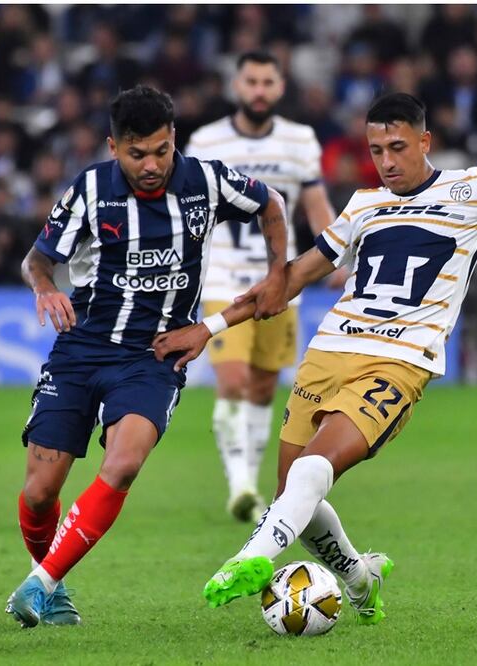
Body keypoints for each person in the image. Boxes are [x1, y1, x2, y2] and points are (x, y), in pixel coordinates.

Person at [153, 93, 477, 625]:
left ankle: (250, 559)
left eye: (398, 147)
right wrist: (207, 328)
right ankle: (359, 577)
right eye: (376, 150)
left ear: (425, 142)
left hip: (398, 361)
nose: (387, 161)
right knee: (293, 499)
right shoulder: (363, 205)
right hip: (327, 354)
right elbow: (293, 277)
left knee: (311, 471)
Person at [5, 85, 291, 628]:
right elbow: (38, 260)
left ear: (173, 140)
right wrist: (45, 289)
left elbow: (270, 203)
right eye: (138, 154)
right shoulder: (90, 190)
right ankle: (52, 580)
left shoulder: (206, 181)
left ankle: (38, 585)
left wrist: (278, 271)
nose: (152, 165)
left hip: (154, 355)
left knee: (126, 460)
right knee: (41, 493)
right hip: (82, 349)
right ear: (114, 148)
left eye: (162, 150)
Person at [185, 50, 341, 522]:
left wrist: (337, 254)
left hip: (280, 279)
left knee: (261, 388)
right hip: (223, 276)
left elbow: (315, 203)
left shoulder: (299, 140)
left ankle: (247, 481)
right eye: (250, 81)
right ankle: (243, 488)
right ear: (237, 85)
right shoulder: (206, 140)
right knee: (231, 381)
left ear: (280, 87)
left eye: (267, 82)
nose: (258, 90)